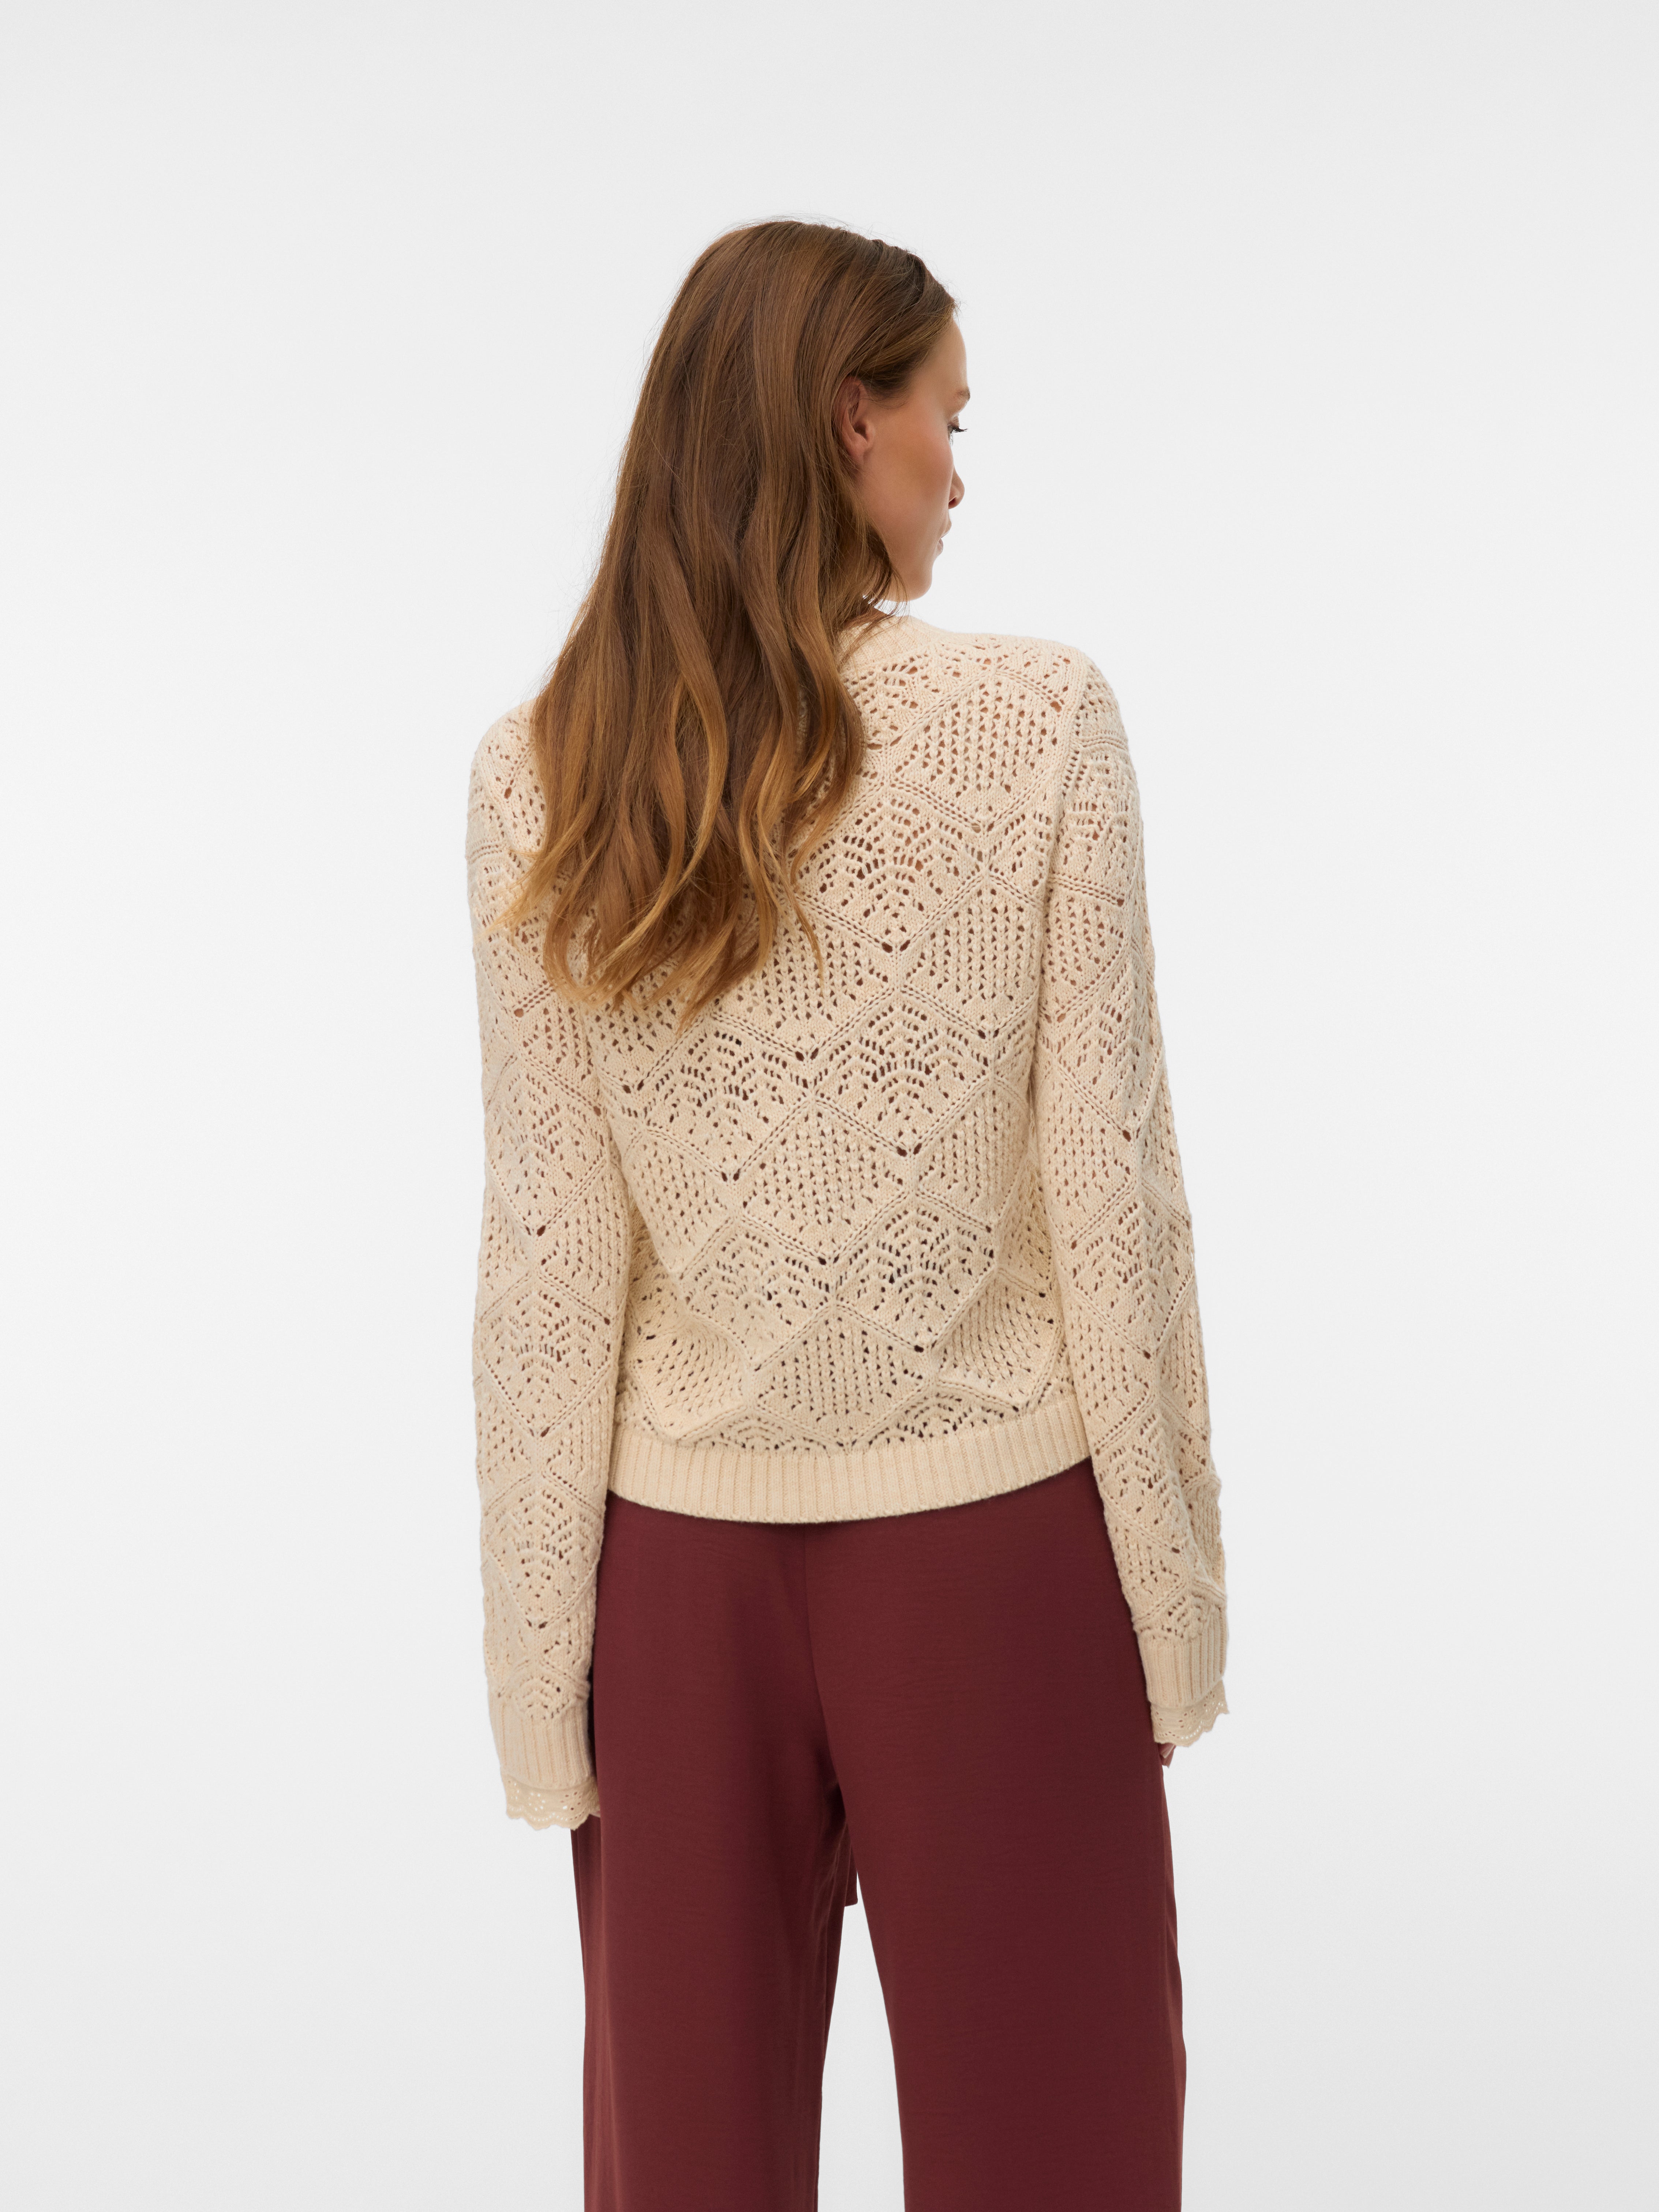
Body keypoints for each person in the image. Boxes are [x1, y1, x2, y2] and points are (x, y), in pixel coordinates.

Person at [464, 219, 1228, 2212]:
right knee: (1061, 2164)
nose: (960, 473)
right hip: (997, 1557)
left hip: (672, 1592)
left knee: (686, 2175)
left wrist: (544, 1684)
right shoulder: (1039, 722)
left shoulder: (549, 769)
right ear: (845, 422)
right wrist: (1169, 1617)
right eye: (946, 419)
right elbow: (1112, 1196)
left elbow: (549, 1265)